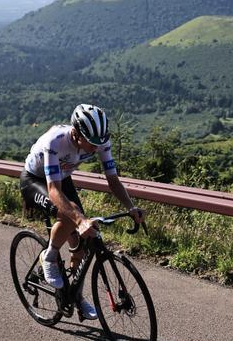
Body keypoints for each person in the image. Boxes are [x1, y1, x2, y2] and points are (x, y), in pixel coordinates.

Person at [20, 104, 144, 320]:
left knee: (82, 247)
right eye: (91, 143)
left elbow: (113, 180)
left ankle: (74, 296)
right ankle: (48, 257)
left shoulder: (101, 141)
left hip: (62, 177)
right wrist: (79, 219)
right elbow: (53, 190)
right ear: (76, 134)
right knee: (72, 214)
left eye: (99, 143)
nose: (96, 148)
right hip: (36, 180)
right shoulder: (55, 141)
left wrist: (130, 207)